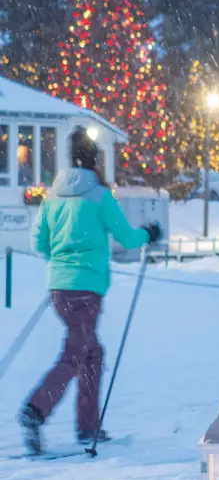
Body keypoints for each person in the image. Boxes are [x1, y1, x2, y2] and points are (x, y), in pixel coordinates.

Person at [17, 126, 161, 454]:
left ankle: (88, 427)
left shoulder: (53, 196)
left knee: (91, 353)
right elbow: (126, 237)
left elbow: (38, 241)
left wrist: (63, 258)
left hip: (59, 288)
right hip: (87, 289)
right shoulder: (98, 196)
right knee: (76, 353)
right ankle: (35, 411)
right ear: (94, 159)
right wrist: (148, 234)